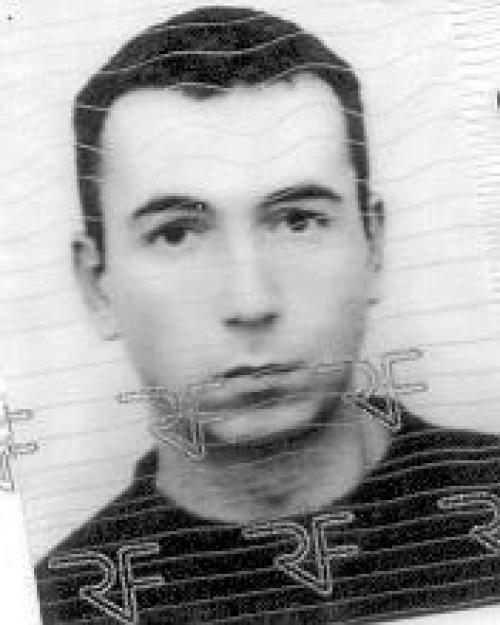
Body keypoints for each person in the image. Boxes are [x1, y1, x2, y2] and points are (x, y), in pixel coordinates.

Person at [35, 6, 500, 624]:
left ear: (375, 248)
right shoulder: (52, 608)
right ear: (97, 286)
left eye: (298, 220)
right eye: (176, 234)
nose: (250, 303)